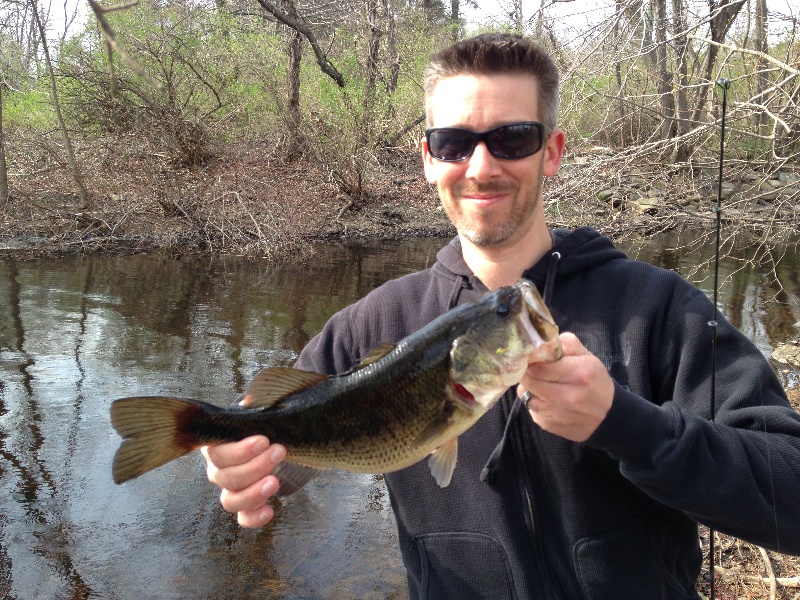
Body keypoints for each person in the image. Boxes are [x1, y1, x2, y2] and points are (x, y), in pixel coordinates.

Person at [202, 33, 800, 598]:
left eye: (512, 138)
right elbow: (269, 441)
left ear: (552, 152)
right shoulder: (370, 325)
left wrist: (627, 424)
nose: (481, 167)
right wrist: (241, 466)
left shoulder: (660, 309)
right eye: (454, 143)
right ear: (429, 160)